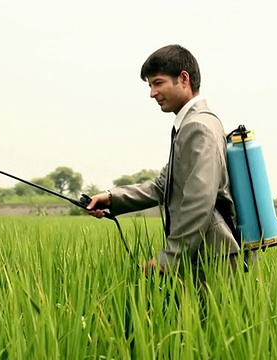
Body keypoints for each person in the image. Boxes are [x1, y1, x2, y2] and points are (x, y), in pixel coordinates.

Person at [86, 44, 251, 282]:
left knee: (205, 319)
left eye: (158, 83)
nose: (152, 93)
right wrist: (112, 198)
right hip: (203, 255)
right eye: (150, 85)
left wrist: (170, 257)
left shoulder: (198, 127)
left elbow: (200, 199)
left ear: (183, 79)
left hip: (212, 259)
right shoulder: (190, 125)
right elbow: (162, 186)